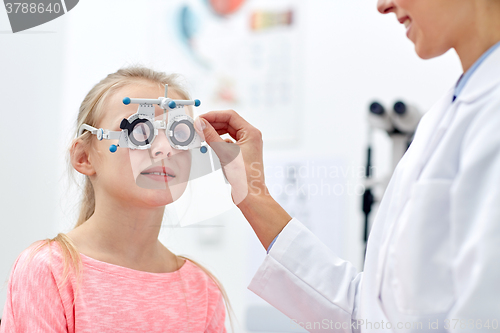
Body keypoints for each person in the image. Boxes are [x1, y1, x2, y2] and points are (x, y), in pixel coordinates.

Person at [195, 0, 500, 331]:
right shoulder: (445, 116)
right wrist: (251, 192)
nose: (383, 5)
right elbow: (369, 314)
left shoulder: (488, 115)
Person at [0, 67, 230, 333]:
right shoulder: (49, 270)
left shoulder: (200, 288)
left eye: (179, 134)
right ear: (84, 157)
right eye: (140, 131)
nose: (163, 149)